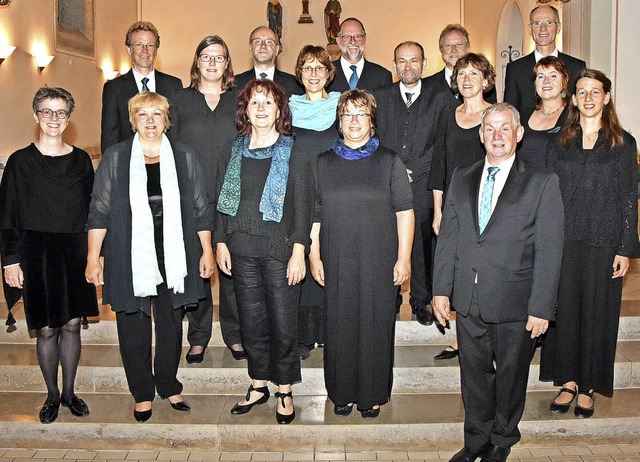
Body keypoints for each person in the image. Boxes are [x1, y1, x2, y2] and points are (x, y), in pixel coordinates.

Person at [432, 103, 564, 462]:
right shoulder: (462, 175)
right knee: (472, 374)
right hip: (469, 298)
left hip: (516, 301)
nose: (497, 136)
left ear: (519, 134)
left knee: (510, 374)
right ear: (480, 135)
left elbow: (550, 251)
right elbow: (449, 238)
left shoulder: (542, 181)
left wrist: (541, 308)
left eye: (505, 128)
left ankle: (502, 438)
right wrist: (441, 290)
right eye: (489, 129)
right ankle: (475, 438)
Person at [86, 92, 215, 423]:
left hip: (175, 255)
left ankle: (169, 384)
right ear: (133, 120)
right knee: (132, 327)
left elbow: (201, 209)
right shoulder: (116, 158)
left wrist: (207, 250)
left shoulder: (184, 156)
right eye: (142, 114)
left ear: (166, 119)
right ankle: (142, 393)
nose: (150, 120)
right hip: (129, 255)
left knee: (171, 325)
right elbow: (98, 211)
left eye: (156, 114)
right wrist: (93, 257)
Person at [540, 69, 640, 418]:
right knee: (564, 311)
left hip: (604, 240)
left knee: (599, 313)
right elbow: (549, 194)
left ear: (606, 97)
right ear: (574, 98)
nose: (588, 98)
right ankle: (567, 381)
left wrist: (626, 247)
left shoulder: (623, 143)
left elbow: (629, 196)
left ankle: (589, 384)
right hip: (565, 241)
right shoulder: (559, 141)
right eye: (581, 91)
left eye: (595, 91)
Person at [310, 90, 414, 419]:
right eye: (348, 115)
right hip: (337, 257)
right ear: (338, 122)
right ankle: (340, 393)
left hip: (379, 259)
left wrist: (404, 257)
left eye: (361, 115)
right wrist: (314, 256)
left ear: (372, 121)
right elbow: (314, 214)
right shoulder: (324, 163)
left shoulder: (389, 161)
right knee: (339, 325)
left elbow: (405, 213)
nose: (354, 121)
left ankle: (371, 394)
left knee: (375, 325)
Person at [214, 79, 314, 425]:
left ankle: (284, 388)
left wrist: (300, 251)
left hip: (279, 251)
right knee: (251, 321)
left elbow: (304, 208)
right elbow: (221, 203)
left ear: (279, 112)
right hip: (240, 248)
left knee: (283, 323)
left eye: (268, 103)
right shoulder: (233, 149)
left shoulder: (294, 151)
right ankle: (258, 384)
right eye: (254, 102)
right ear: (246, 110)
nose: (260, 108)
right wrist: (220, 241)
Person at [0, 87, 98, 424]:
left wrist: (96, 255)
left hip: (74, 248)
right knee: (44, 328)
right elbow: (8, 215)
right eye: (47, 111)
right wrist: (10, 260)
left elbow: (93, 211)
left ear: (69, 118)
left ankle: (70, 392)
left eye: (60, 112)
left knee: (72, 324)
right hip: (34, 252)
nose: (53, 118)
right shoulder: (19, 162)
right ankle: (52, 396)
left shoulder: (82, 160)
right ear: (36, 115)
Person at [170, 35, 245, 363]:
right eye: (207, 57)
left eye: (219, 57)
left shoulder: (239, 100)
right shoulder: (178, 100)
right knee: (196, 266)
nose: (213, 63)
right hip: (191, 198)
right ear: (197, 61)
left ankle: (235, 333)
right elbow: (167, 150)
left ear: (227, 63)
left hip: (233, 198)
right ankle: (198, 335)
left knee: (231, 267)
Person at [374, 41, 448, 327]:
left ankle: (420, 299)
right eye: (402, 61)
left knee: (421, 243)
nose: (408, 67)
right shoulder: (380, 96)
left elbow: (441, 142)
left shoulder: (439, 97)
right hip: (386, 183)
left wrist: (414, 169)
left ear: (424, 63)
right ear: (394, 66)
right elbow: (373, 137)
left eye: (413, 61)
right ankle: (390, 298)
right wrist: (394, 167)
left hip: (424, 183)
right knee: (388, 240)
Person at [428, 53, 495, 360]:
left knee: (487, 268)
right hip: (454, 206)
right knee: (457, 270)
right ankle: (462, 337)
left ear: (486, 80)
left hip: (489, 204)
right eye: (462, 74)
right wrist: (439, 209)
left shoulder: (496, 115)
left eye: (474, 73)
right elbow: (439, 164)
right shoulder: (448, 114)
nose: (467, 79)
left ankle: (490, 333)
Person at [289, 45, 340, 360]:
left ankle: (331, 330)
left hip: (333, 194)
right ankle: (305, 335)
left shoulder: (341, 106)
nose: (313, 74)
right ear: (299, 73)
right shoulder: (288, 108)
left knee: (331, 261)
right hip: (298, 194)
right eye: (307, 67)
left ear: (328, 74)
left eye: (319, 68)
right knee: (301, 258)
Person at [100, 21, 182, 153]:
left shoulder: (174, 85)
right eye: (139, 45)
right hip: (128, 164)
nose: (145, 50)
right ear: (129, 49)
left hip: (166, 163)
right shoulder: (114, 88)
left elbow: (177, 131)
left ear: (156, 50)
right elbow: (110, 136)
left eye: (150, 45)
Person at [504, 5, 585, 113]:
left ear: (558, 27)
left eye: (549, 23)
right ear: (530, 29)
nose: (543, 28)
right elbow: (509, 113)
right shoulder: (515, 69)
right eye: (537, 23)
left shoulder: (576, 67)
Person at [517, 56, 570, 166]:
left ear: (565, 80)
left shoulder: (574, 116)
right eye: (541, 77)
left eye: (553, 76)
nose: (546, 81)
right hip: (524, 181)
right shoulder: (522, 115)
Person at [424, 24, 497, 105]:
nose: (454, 49)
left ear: (467, 47)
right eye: (448, 45)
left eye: (458, 44)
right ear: (441, 49)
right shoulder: (426, 86)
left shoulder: (483, 82)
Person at [326, 18, 392, 93]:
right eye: (346, 37)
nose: (353, 42)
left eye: (358, 36)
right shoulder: (326, 72)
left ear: (365, 40)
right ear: (338, 41)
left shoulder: (382, 76)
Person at [234, 26, 302, 97]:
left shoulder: (294, 85)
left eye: (269, 42)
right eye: (258, 41)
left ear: (277, 49)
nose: (263, 45)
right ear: (250, 49)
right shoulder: (235, 84)